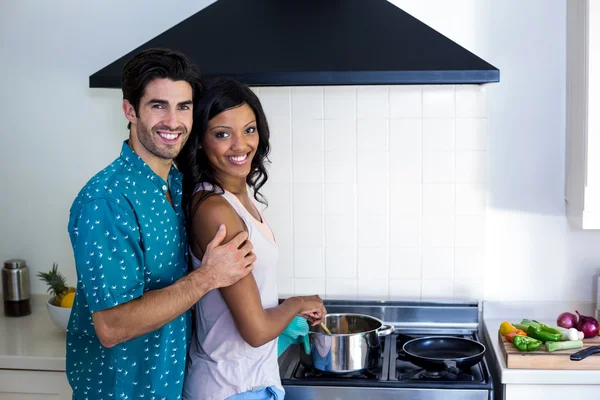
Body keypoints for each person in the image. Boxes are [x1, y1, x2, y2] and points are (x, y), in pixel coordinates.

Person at [66, 48, 256, 400]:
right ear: (129, 110)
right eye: (158, 106)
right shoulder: (107, 201)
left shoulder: (177, 185)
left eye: (183, 106)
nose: (173, 121)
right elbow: (111, 326)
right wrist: (209, 277)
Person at [176, 77, 327, 400]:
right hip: (230, 387)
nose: (241, 145)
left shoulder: (234, 198)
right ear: (200, 140)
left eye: (249, 129)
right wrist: (297, 303)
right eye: (222, 134)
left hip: (245, 383)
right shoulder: (216, 211)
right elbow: (256, 331)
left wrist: (288, 311)